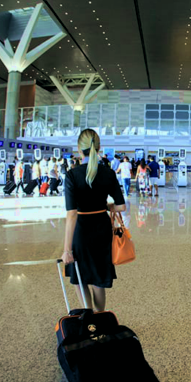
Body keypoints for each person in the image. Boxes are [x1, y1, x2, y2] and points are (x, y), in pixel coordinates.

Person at [62, 129, 126, 312]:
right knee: (99, 279)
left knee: (80, 277)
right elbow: (121, 207)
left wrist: (67, 250)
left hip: (81, 231)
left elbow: (72, 213)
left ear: (79, 149)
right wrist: (105, 207)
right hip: (102, 229)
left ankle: (89, 320)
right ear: (99, 148)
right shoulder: (108, 173)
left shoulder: (72, 175)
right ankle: (101, 318)